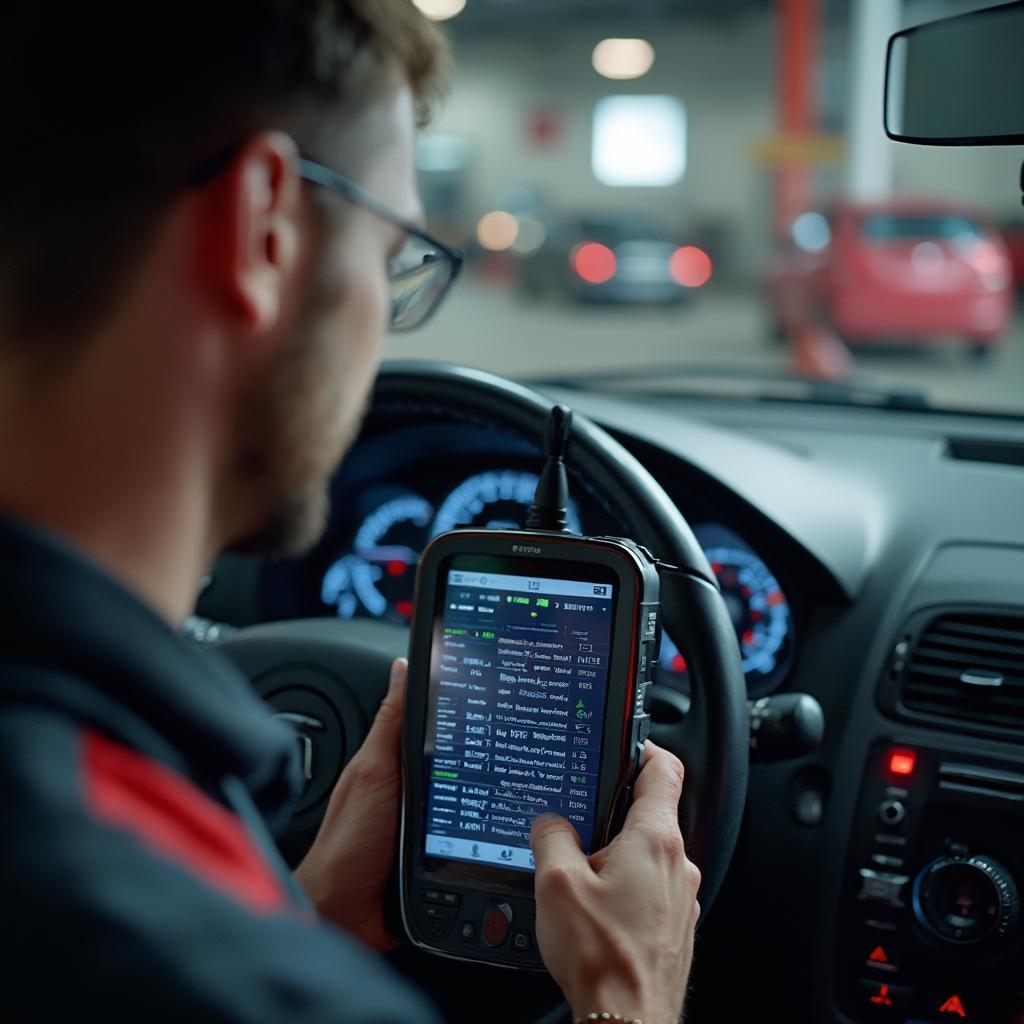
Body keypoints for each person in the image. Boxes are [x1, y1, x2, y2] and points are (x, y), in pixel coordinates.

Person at [0, 2, 702, 1022]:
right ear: (265, 230)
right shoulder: (179, 952)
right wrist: (624, 997)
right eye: (392, 260)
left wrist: (299, 917)